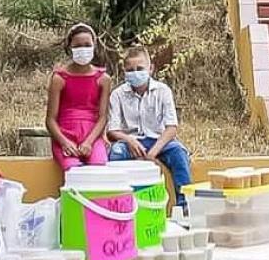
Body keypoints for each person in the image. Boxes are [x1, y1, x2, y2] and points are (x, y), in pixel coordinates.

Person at [106, 46, 192, 207]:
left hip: (159, 141)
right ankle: (119, 203)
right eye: (130, 70)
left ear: (150, 68)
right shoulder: (117, 94)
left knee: (179, 154)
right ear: (124, 71)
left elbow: (171, 127)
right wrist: (129, 140)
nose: (135, 73)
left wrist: (154, 151)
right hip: (130, 142)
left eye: (140, 68)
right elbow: (112, 131)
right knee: (116, 153)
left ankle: (184, 206)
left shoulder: (162, 91)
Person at [46, 23, 111, 170]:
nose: (83, 49)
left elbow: (102, 117)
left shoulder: (103, 79)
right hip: (65, 135)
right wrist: (64, 142)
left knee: (99, 168)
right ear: (70, 48)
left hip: (92, 136)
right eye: (78, 46)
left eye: (87, 45)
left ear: (94, 46)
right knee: (74, 171)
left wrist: (89, 142)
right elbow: (50, 119)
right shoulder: (59, 78)